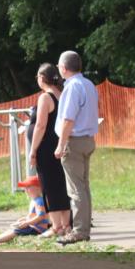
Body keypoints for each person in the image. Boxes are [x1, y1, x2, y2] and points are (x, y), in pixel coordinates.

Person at [54, 50, 99, 246]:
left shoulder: (72, 87)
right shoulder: (88, 84)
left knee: (75, 188)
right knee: (84, 185)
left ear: (64, 68)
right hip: (88, 138)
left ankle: (80, 230)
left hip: (74, 140)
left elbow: (68, 119)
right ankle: (85, 225)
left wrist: (61, 144)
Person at [28, 63, 71, 237]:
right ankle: (66, 224)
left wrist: (33, 150)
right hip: (59, 143)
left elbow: (40, 125)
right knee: (61, 184)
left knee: (48, 185)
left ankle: (56, 226)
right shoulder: (61, 95)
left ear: (42, 77)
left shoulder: (45, 97)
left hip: (46, 147)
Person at [0, 175, 51, 247]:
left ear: (39, 188)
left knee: (16, 231)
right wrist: (24, 219)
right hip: (33, 226)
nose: (25, 189)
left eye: (28, 187)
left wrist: (27, 223)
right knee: (14, 228)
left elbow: (41, 216)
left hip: (38, 229)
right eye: (25, 187)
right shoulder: (35, 200)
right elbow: (33, 215)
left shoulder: (39, 201)